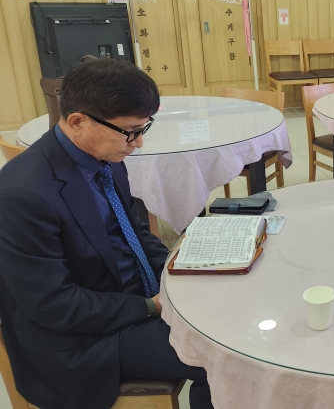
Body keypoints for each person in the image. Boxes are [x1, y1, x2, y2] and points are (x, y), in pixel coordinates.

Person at [0, 59, 212, 409]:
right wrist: (150, 306)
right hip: (80, 340)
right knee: (213, 354)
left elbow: (135, 233)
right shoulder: (23, 194)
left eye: (143, 128)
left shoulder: (103, 157)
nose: (138, 142)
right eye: (130, 131)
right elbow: (53, 305)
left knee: (221, 316)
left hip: (123, 298)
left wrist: (176, 274)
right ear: (77, 122)